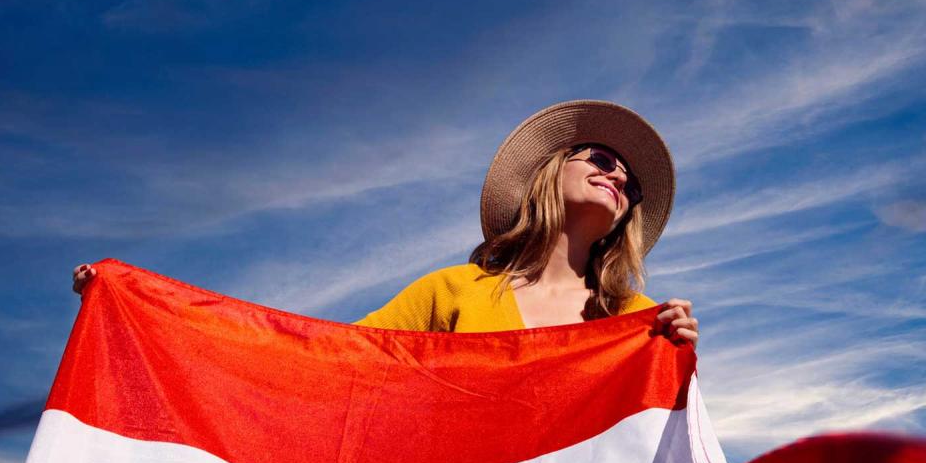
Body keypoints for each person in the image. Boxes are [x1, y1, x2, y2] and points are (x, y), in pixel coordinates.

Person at [75, 100, 698, 343]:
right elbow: (331, 356)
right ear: (548, 172)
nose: (618, 176)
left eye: (631, 182)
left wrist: (676, 361)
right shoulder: (453, 293)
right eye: (602, 159)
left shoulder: (634, 319)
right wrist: (145, 308)